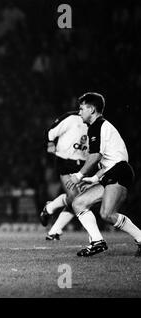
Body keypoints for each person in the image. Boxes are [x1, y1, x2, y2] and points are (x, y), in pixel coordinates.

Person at [66, 92, 141, 257]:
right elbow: (108, 159)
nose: (79, 113)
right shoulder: (99, 126)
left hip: (120, 171)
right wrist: (94, 179)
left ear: (91, 109)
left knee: (107, 214)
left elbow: (96, 157)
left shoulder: (97, 126)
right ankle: (97, 242)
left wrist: (78, 175)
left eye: (81, 109)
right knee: (78, 203)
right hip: (112, 171)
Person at [39, 110, 90, 240]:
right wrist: (50, 144)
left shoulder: (97, 124)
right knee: (76, 198)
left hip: (85, 164)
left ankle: (53, 224)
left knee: (80, 199)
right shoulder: (71, 118)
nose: (81, 109)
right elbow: (50, 132)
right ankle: (96, 240)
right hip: (65, 161)